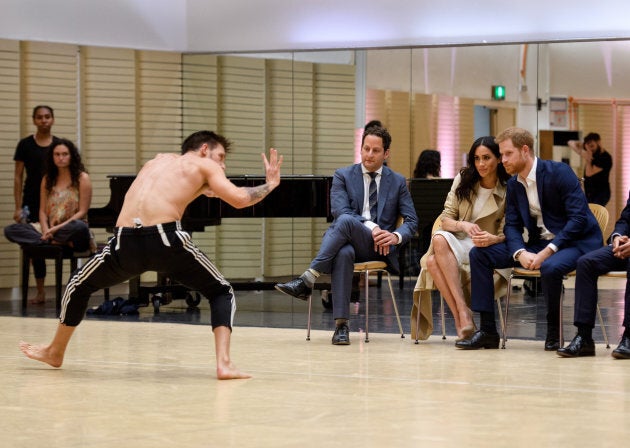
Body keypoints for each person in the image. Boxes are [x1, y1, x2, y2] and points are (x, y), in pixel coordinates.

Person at [19, 130, 283, 380]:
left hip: (124, 241)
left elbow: (180, 191)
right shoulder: (205, 165)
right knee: (221, 291)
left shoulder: (156, 161)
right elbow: (238, 199)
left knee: (78, 284)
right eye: (221, 157)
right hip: (164, 239)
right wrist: (270, 184)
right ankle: (224, 364)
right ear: (204, 149)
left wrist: (207, 187)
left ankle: (55, 351)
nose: (222, 166)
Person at [456, 127, 602, 351]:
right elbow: (512, 225)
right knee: (480, 254)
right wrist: (520, 253)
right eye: (502, 154)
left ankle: (553, 333)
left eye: (507, 154)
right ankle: (487, 331)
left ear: (525, 150)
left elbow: (578, 220)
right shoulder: (514, 184)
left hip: (575, 242)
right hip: (537, 244)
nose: (502, 160)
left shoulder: (559, 172)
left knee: (551, 267)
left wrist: (547, 251)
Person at [274, 125, 418, 345]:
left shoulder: (397, 181)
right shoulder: (343, 175)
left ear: (386, 153)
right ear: (360, 149)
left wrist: (395, 237)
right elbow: (340, 211)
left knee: (345, 223)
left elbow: (411, 220)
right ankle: (342, 326)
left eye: (375, 150)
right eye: (366, 148)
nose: (369, 154)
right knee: (343, 249)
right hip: (351, 239)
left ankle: (308, 278)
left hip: (379, 248)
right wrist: (373, 226)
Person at [411, 137, 511, 341]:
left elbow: (509, 231)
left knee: (432, 261)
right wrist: (462, 225)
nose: (481, 164)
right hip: (457, 238)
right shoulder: (464, 178)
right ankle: (462, 312)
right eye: (476, 158)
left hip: (484, 246)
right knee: (439, 239)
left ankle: (461, 318)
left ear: (498, 159)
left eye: (486, 158)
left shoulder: (508, 187)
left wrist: (493, 239)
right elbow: (446, 219)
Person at [5, 139, 93, 303]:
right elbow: (42, 211)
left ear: (72, 156)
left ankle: (52, 240)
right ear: (52, 157)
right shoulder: (47, 179)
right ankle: (53, 241)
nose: (60, 158)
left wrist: (56, 229)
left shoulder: (82, 178)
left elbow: (82, 212)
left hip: (72, 230)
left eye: (64, 154)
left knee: (79, 227)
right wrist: (46, 230)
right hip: (50, 231)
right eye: (57, 154)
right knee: (11, 230)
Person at [557, 191, 630, 358]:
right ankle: (584, 338)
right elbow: (625, 219)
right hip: (625, 246)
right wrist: (617, 237)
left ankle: (629, 336)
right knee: (586, 263)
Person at [10, 105, 59, 303]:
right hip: (30, 200)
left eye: (47, 117)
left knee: (54, 242)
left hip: (54, 202)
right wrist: (18, 206)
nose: (44, 120)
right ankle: (40, 291)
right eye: (40, 117)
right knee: (34, 245)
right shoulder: (25, 145)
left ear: (53, 119)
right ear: (34, 120)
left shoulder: (59, 146)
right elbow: (17, 176)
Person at [568, 132, 612, 206]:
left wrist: (588, 155)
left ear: (598, 142)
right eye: (588, 146)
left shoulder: (605, 158)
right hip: (590, 192)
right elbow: (570, 143)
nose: (591, 148)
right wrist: (583, 144)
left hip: (601, 193)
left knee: (594, 214)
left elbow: (589, 173)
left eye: (592, 145)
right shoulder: (592, 153)